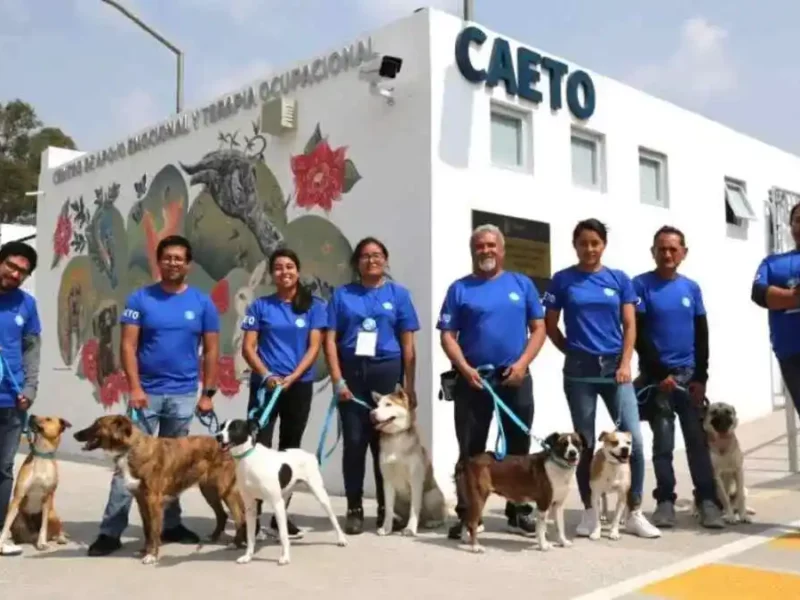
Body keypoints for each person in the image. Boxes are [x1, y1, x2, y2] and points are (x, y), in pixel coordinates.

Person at [87, 235, 220, 556]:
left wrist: (208, 393)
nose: (173, 263)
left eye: (179, 258)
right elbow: (128, 346)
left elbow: (213, 350)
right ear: (158, 262)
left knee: (174, 467)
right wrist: (134, 387)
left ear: (188, 264)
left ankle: (170, 526)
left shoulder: (203, 303)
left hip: (184, 395)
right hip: (145, 394)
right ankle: (110, 531)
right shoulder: (140, 299)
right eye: (168, 258)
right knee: (128, 467)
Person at [542, 218, 661, 539]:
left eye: (595, 243)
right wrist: (571, 351)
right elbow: (550, 325)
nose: (590, 249)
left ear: (603, 245)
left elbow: (630, 325)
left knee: (633, 439)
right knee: (582, 441)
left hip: (616, 370)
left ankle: (634, 511)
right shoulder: (563, 280)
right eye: (584, 243)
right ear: (575, 245)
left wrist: (625, 363)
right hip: (579, 373)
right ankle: (590, 511)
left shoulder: (619, 279)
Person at [437, 224, 547, 541]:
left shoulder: (521, 284)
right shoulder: (459, 289)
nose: (485, 251)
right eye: (479, 247)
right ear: (473, 251)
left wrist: (522, 364)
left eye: (490, 245)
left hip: (515, 378)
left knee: (518, 450)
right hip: (474, 382)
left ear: (502, 249)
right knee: (471, 453)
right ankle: (469, 515)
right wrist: (464, 368)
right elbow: (447, 335)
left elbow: (538, 329)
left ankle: (518, 512)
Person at [324, 237, 420, 535]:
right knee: (354, 443)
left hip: (386, 372)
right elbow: (329, 341)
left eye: (377, 255)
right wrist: (338, 379)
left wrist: (409, 385)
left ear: (386, 259)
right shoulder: (342, 295)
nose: (371, 260)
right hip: (353, 374)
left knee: (386, 443)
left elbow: (408, 344)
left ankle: (385, 509)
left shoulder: (399, 295)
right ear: (357, 263)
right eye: (365, 256)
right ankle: (354, 508)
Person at [632, 226, 723, 529]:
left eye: (673, 249)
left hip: (688, 380)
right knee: (663, 444)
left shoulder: (691, 289)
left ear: (684, 252)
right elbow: (638, 335)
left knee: (698, 443)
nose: (667, 254)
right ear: (653, 252)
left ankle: (708, 500)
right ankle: (665, 502)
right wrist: (659, 374)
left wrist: (701, 377)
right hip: (659, 381)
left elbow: (702, 335)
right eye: (661, 248)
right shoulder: (640, 286)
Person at [241, 247, 328, 540]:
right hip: (265, 387)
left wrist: (293, 377)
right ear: (272, 273)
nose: (284, 272)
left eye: (289, 266)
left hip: (298, 386)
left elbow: (314, 347)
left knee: (290, 451)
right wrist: (267, 375)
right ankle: (249, 519)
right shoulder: (260, 307)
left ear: (298, 271)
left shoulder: (314, 306)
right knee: (256, 451)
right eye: (278, 267)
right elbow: (248, 347)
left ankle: (281, 517)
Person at [0, 241, 41, 557]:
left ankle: (1, 534)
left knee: (3, 469)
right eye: (11, 266)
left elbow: (31, 348)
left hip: (11, 401)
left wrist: (30, 389)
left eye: (22, 272)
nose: (15, 274)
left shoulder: (26, 305)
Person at [751, 202, 800, 418]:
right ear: (790, 226)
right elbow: (760, 295)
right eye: (798, 220)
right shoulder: (773, 263)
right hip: (790, 353)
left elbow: (774, 297)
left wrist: (784, 297)